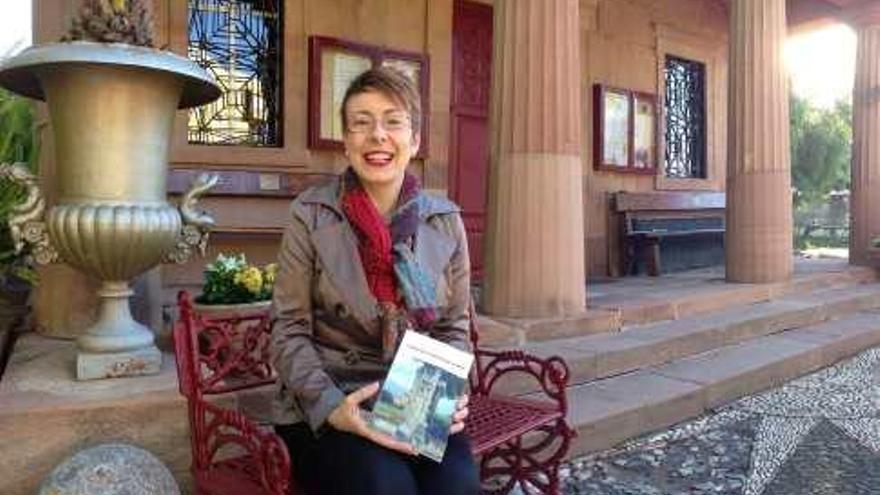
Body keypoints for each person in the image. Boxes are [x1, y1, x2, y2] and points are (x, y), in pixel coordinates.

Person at [270, 67, 480, 495]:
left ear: (415, 139)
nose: (377, 135)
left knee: (456, 484)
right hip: (331, 399)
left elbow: (453, 327)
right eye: (361, 123)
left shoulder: (444, 221)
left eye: (393, 121)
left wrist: (448, 395)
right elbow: (288, 330)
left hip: (413, 395)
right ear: (346, 142)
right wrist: (332, 408)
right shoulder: (310, 215)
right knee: (385, 486)